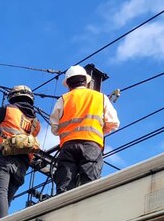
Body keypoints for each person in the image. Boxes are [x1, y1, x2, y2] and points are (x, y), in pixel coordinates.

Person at [50, 65, 120, 193]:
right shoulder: (100, 97)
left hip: (68, 146)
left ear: (69, 84)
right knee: (89, 185)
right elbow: (114, 123)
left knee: (64, 186)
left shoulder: (63, 99)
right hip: (91, 144)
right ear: (86, 82)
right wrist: (98, 131)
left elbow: (54, 128)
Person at [0, 85, 41, 221]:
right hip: (23, 165)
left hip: (3, 157)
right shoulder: (36, 123)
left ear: (13, 96)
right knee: (7, 198)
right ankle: (0, 218)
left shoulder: (8, 110)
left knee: (0, 194)